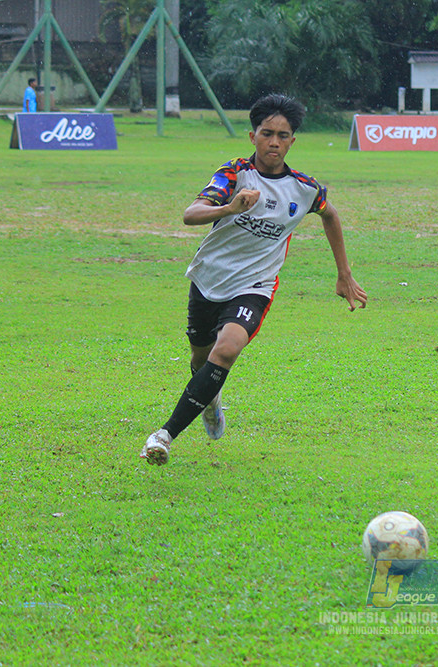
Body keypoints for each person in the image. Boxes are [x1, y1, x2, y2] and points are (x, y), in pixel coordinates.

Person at [141, 94, 368, 465]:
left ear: (293, 140)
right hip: (208, 279)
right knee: (202, 360)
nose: (274, 142)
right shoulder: (234, 174)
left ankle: (163, 436)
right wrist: (230, 208)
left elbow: (330, 215)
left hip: (255, 286)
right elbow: (191, 213)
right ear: (252, 136)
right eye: (267, 133)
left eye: (283, 135)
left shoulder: (305, 188)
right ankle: (210, 398)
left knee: (227, 349)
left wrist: (344, 274)